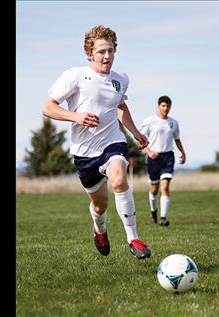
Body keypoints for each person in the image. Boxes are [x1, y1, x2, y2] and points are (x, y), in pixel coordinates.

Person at [42, 25, 151, 259]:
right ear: (89, 54)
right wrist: (76, 117)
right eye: (102, 51)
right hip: (84, 153)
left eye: (111, 51)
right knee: (100, 205)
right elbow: (48, 107)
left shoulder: (120, 80)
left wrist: (134, 132)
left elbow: (120, 106)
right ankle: (99, 230)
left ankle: (134, 239)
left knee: (120, 179)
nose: (107, 56)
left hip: (113, 142)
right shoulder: (75, 76)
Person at [140, 96, 186, 226]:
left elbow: (177, 139)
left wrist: (183, 152)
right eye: (163, 106)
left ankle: (163, 218)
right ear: (159, 106)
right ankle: (153, 212)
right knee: (154, 188)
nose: (166, 108)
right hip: (153, 158)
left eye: (168, 106)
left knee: (165, 186)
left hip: (168, 157)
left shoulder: (173, 123)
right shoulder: (149, 121)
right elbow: (140, 140)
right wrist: (149, 152)